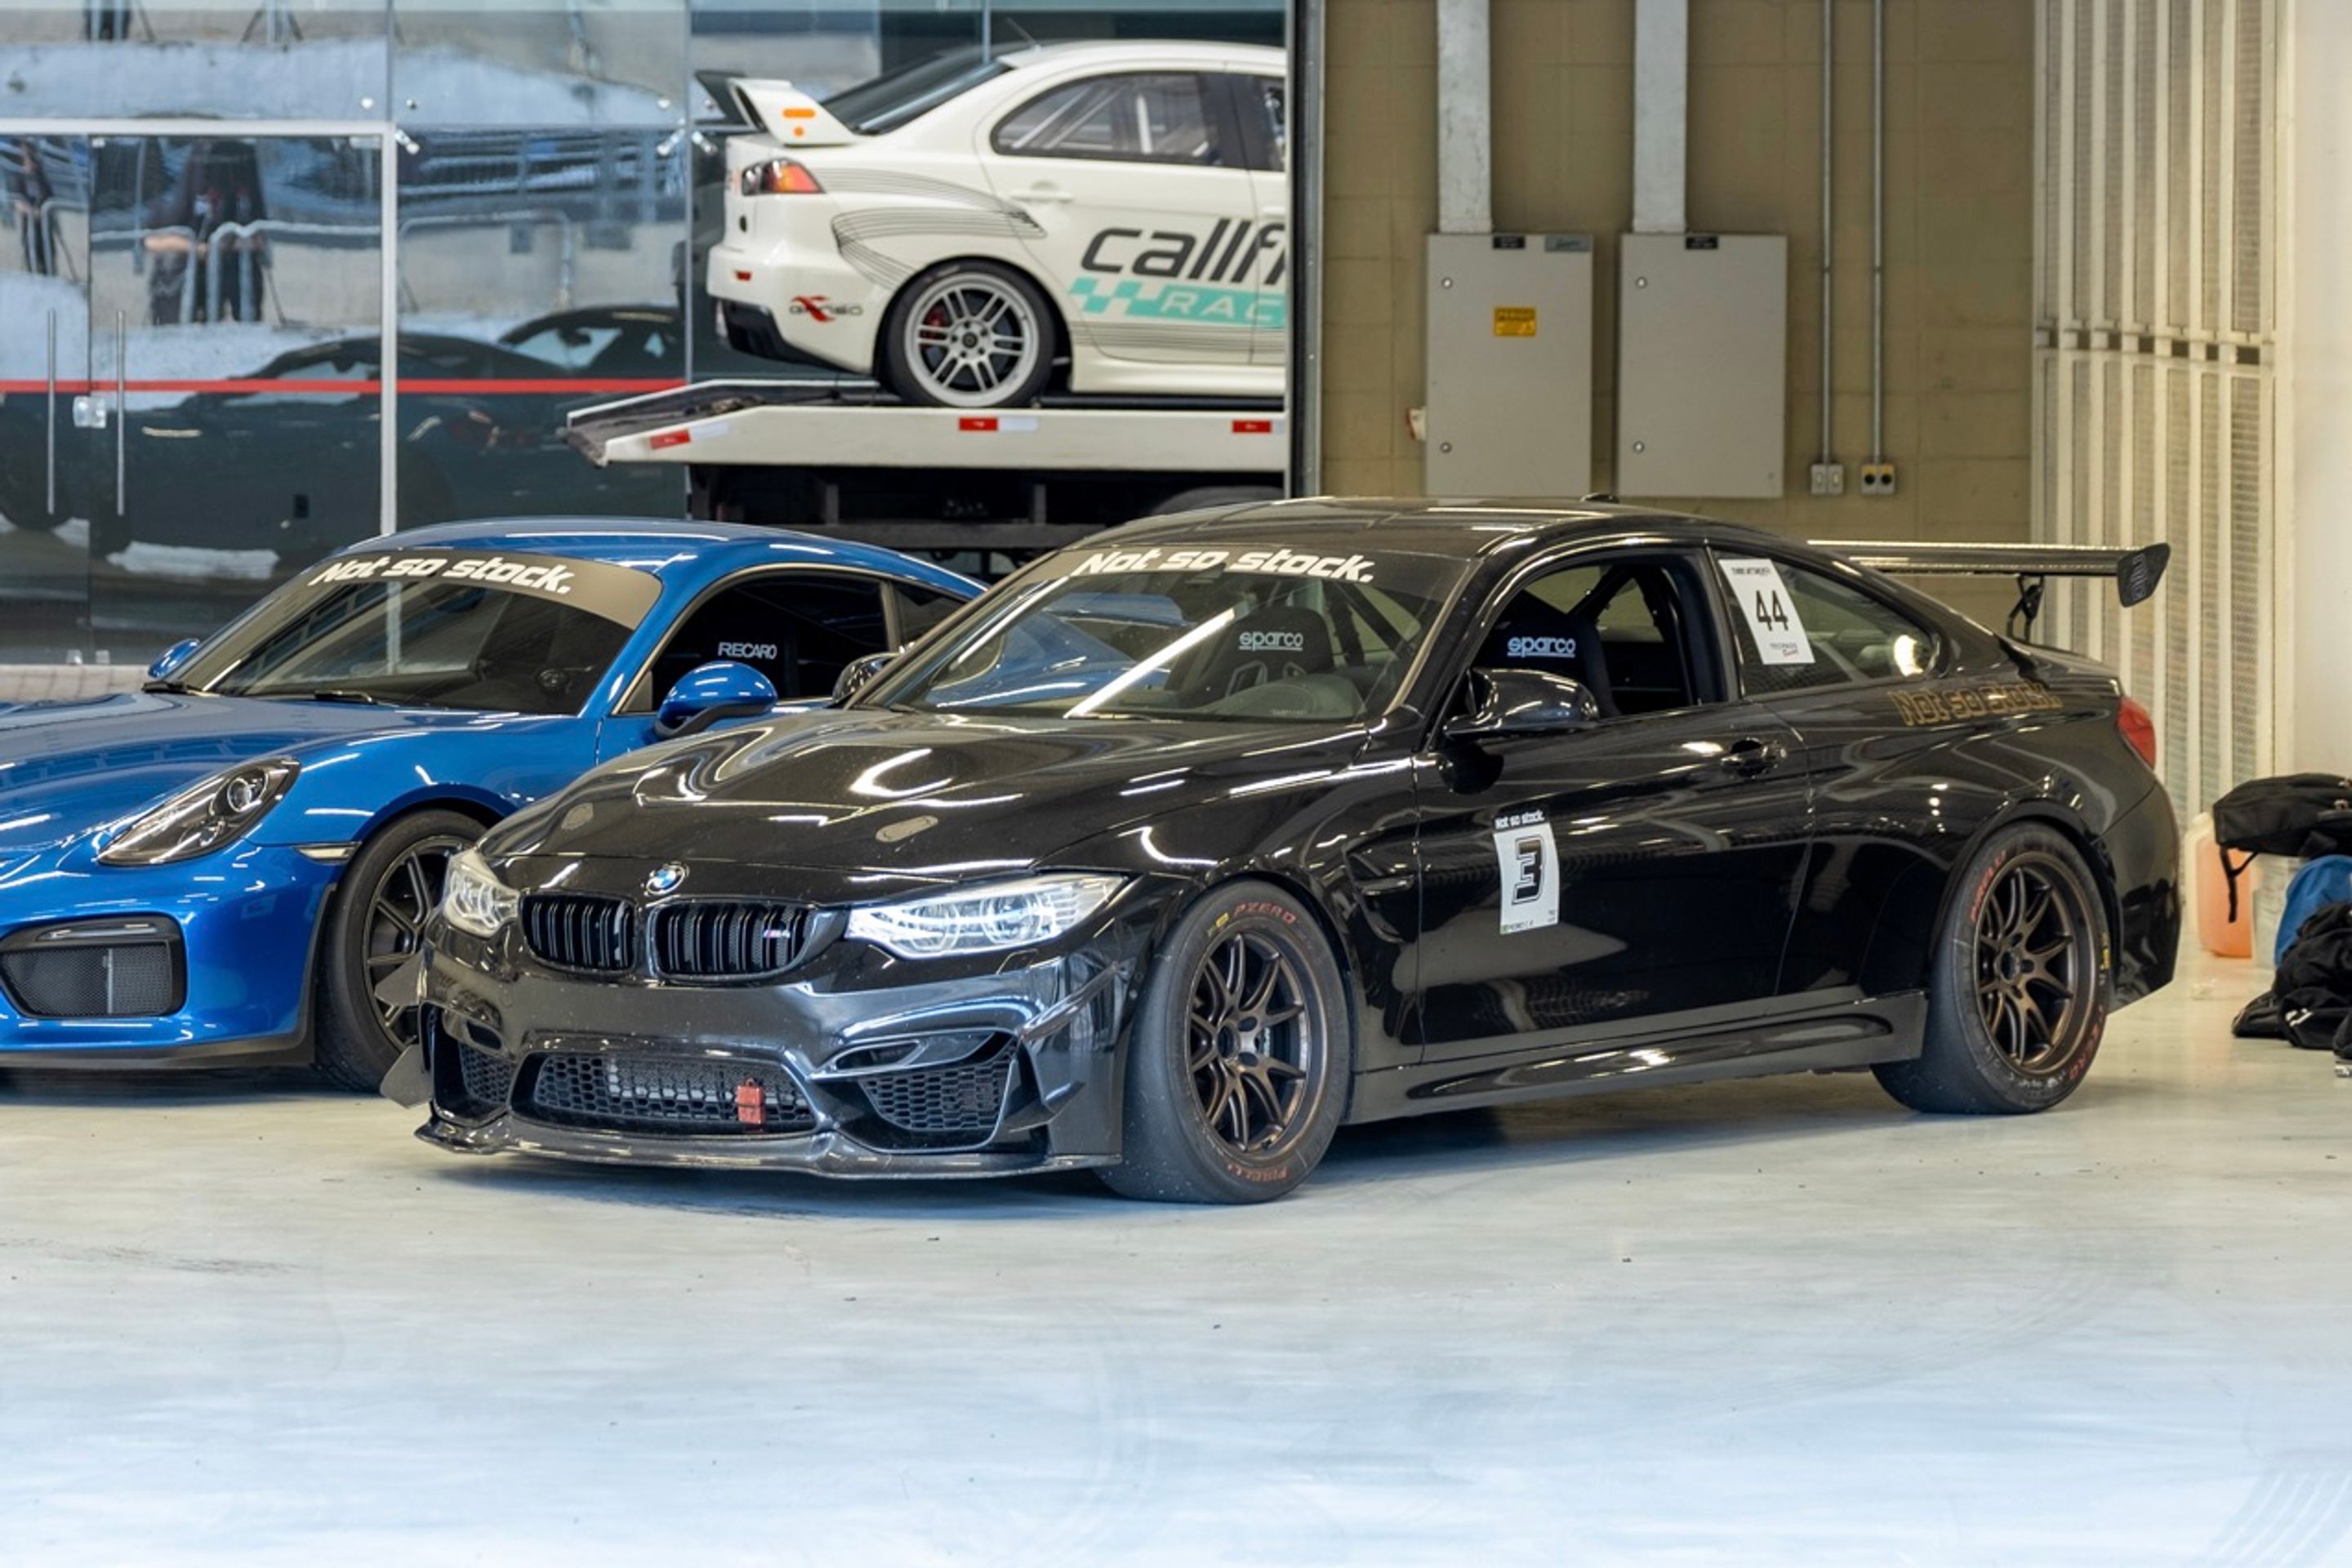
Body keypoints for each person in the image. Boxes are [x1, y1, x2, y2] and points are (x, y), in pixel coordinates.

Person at [140, 138, 269, 326]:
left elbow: (262, 235)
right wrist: (200, 249)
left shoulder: (245, 163)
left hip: (235, 274)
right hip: (188, 281)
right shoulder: (186, 168)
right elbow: (151, 240)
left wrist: (227, 245)